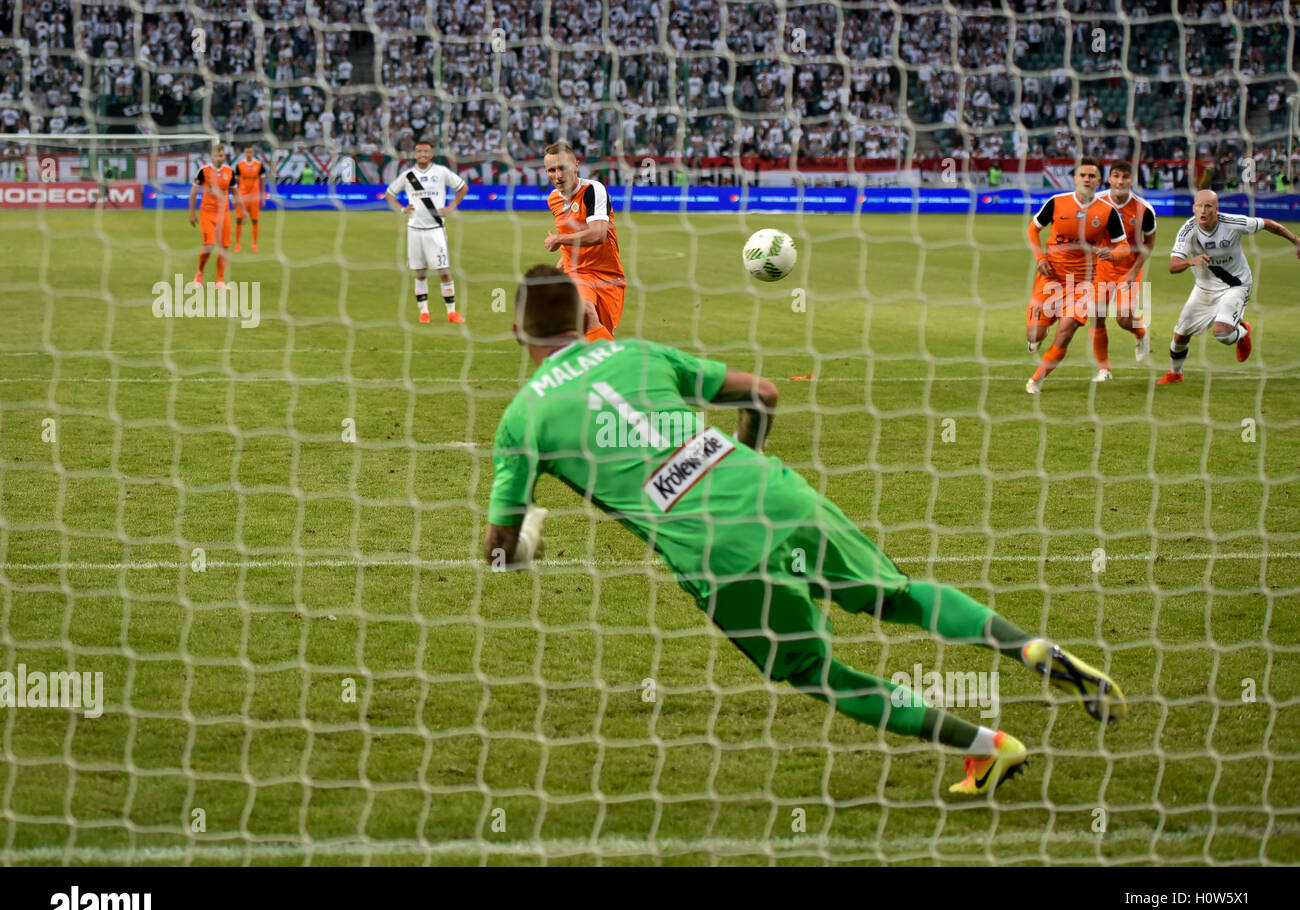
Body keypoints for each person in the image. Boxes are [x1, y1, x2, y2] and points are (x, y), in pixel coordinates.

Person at [483, 265, 1128, 796]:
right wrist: (754, 455)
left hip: (712, 550)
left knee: (818, 671)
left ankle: (991, 747)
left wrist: (520, 550)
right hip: (771, 492)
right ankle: (1029, 649)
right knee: (896, 596)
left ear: (517, 330)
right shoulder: (636, 353)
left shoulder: (523, 420)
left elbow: (497, 551)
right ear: (587, 317)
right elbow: (762, 392)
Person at [1158, 190, 1300, 384]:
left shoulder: (1234, 223)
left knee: (1223, 333)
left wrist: (1295, 240)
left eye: (1208, 206)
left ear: (1217, 209)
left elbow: (1267, 223)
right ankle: (1176, 373)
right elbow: (1172, 266)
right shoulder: (1187, 229)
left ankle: (1242, 331)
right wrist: (1192, 261)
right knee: (1180, 335)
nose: (1203, 210)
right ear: (1193, 208)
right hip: (1204, 289)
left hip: (1236, 285)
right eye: (1199, 205)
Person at [1025, 156, 1131, 392]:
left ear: (1099, 181)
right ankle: (1039, 333)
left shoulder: (1107, 212)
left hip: (1082, 285)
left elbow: (1124, 247)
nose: (1087, 179)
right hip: (1050, 277)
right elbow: (1033, 229)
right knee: (1033, 334)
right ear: (1075, 178)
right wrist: (1040, 258)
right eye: (1083, 175)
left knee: (1065, 334)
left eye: (1092, 175)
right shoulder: (1056, 202)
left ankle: (1037, 378)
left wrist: (1110, 254)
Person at [543, 142, 626, 340]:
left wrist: (559, 239)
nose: (558, 175)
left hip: (608, 276)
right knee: (585, 312)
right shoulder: (553, 199)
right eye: (551, 170)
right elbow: (569, 247)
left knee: (599, 334)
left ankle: (611, 363)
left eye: (562, 167)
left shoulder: (593, 190)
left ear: (576, 165)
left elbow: (598, 234)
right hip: (578, 275)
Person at [385, 141, 469, 324]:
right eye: (419, 151)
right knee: (420, 273)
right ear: (415, 155)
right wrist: (402, 209)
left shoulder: (441, 172)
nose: (422, 153)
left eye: (426, 151)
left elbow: (463, 188)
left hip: (435, 230)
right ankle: (424, 312)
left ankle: (452, 312)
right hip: (415, 230)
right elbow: (389, 194)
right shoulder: (408, 175)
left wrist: (450, 207)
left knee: (444, 271)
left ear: (431, 155)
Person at [1094, 160, 1158, 370]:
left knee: (1123, 319)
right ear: (1109, 178)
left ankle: (1141, 334)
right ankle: (1104, 369)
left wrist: (1134, 271)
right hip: (1101, 269)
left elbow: (1149, 243)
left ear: (1133, 180)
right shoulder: (1095, 202)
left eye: (1125, 177)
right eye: (1116, 176)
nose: (1120, 181)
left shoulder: (1144, 209)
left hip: (1128, 270)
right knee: (1097, 317)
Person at [189, 143, 245, 289]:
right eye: (216, 155)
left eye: (221, 155)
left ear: (224, 156)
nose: (219, 158)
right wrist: (192, 213)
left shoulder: (229, 171)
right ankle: (199, 274)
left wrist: (243, 211)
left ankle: (219, 281)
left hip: (224, 213)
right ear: (211, 156)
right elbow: (194, 192)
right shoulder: (203, 171)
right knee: (208, 246)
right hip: (207, 213)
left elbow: (236, 192)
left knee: (224, 247)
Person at [233, 144, 269, 253]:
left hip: (254, 196)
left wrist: (263, 196)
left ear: (253, 153)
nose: (248, 154)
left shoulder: (259, 165)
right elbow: (236, 183)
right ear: (244, 153)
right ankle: (237, 244)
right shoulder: (239, 165)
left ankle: (254, 245)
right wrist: (235, 197)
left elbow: (262, 181)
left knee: (255, 220)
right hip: (243, 196)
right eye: (247, 152)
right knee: (239, 219)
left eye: (250, 152)